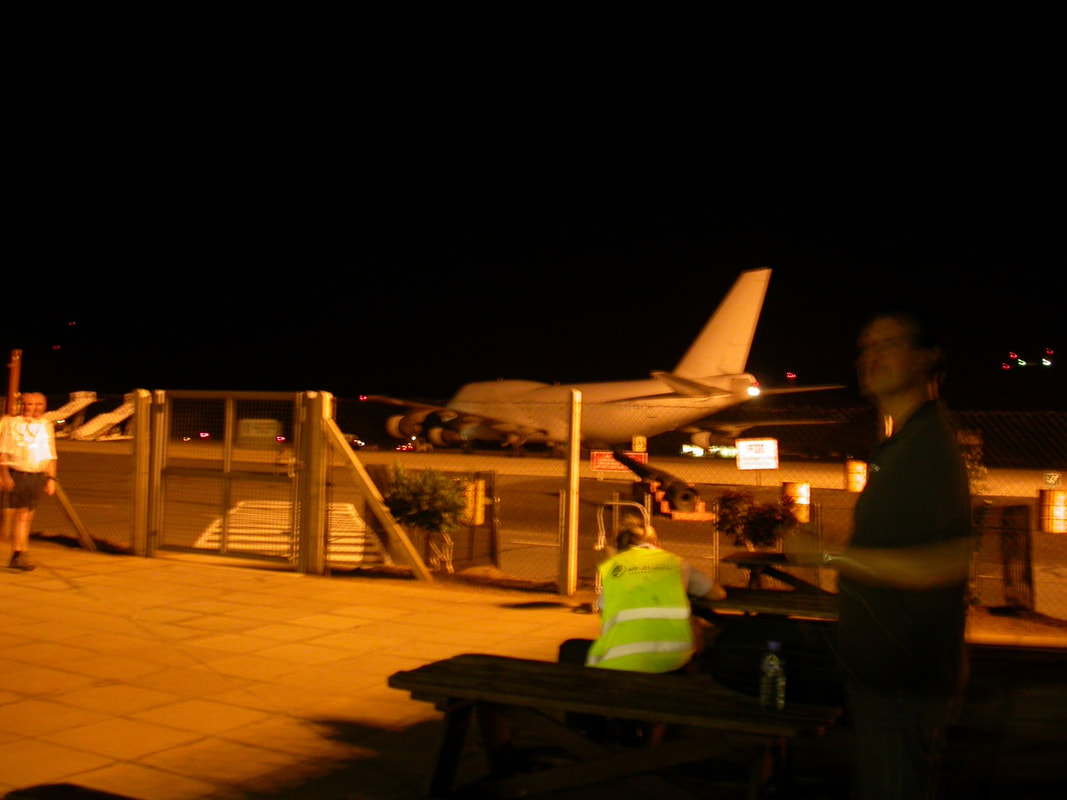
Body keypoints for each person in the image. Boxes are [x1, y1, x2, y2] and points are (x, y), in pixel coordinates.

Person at [800, 305, 974, 799]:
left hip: (902, 681)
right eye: (865, 347)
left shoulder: (926, 449)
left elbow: (944, 563)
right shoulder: (900, 445)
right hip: (886, 674)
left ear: (928, 357)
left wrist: (827, 557)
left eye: (888, 344)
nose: (870, 356)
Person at [0, 392, 58, 571]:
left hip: (37, 476)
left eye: (39, 404)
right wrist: (5, 475)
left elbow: (51, 454)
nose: (34, 408)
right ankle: (18, 553)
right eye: (30, 404)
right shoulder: (13, 424)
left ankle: (21, 552)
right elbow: (4, 452)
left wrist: (51, 478)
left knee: (27, 517)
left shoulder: (46, 425)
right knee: (19, 516)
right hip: (19, 474)